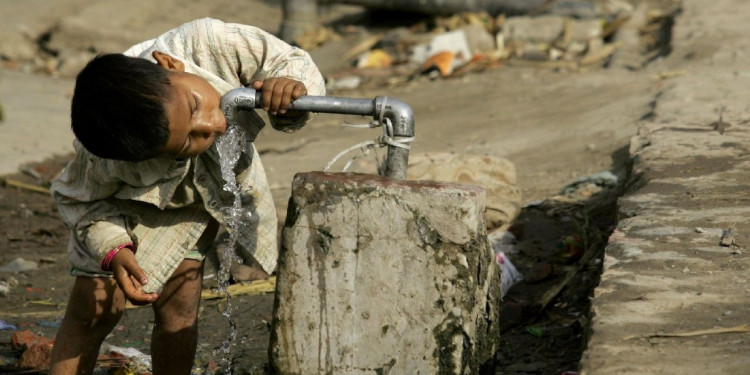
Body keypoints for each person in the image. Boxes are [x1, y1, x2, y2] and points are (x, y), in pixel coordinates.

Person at [47, 18, 325, 375]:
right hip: (127, 205)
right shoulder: (105, 158)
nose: (214, 125)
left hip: (197, 200)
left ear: (170, 65)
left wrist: (288, 87)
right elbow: (81, 200)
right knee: (94, 310)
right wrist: (113, 249)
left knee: (179, 312)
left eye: (196, 105)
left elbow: (292, 61)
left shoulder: (211, 43)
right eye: (188, 143)